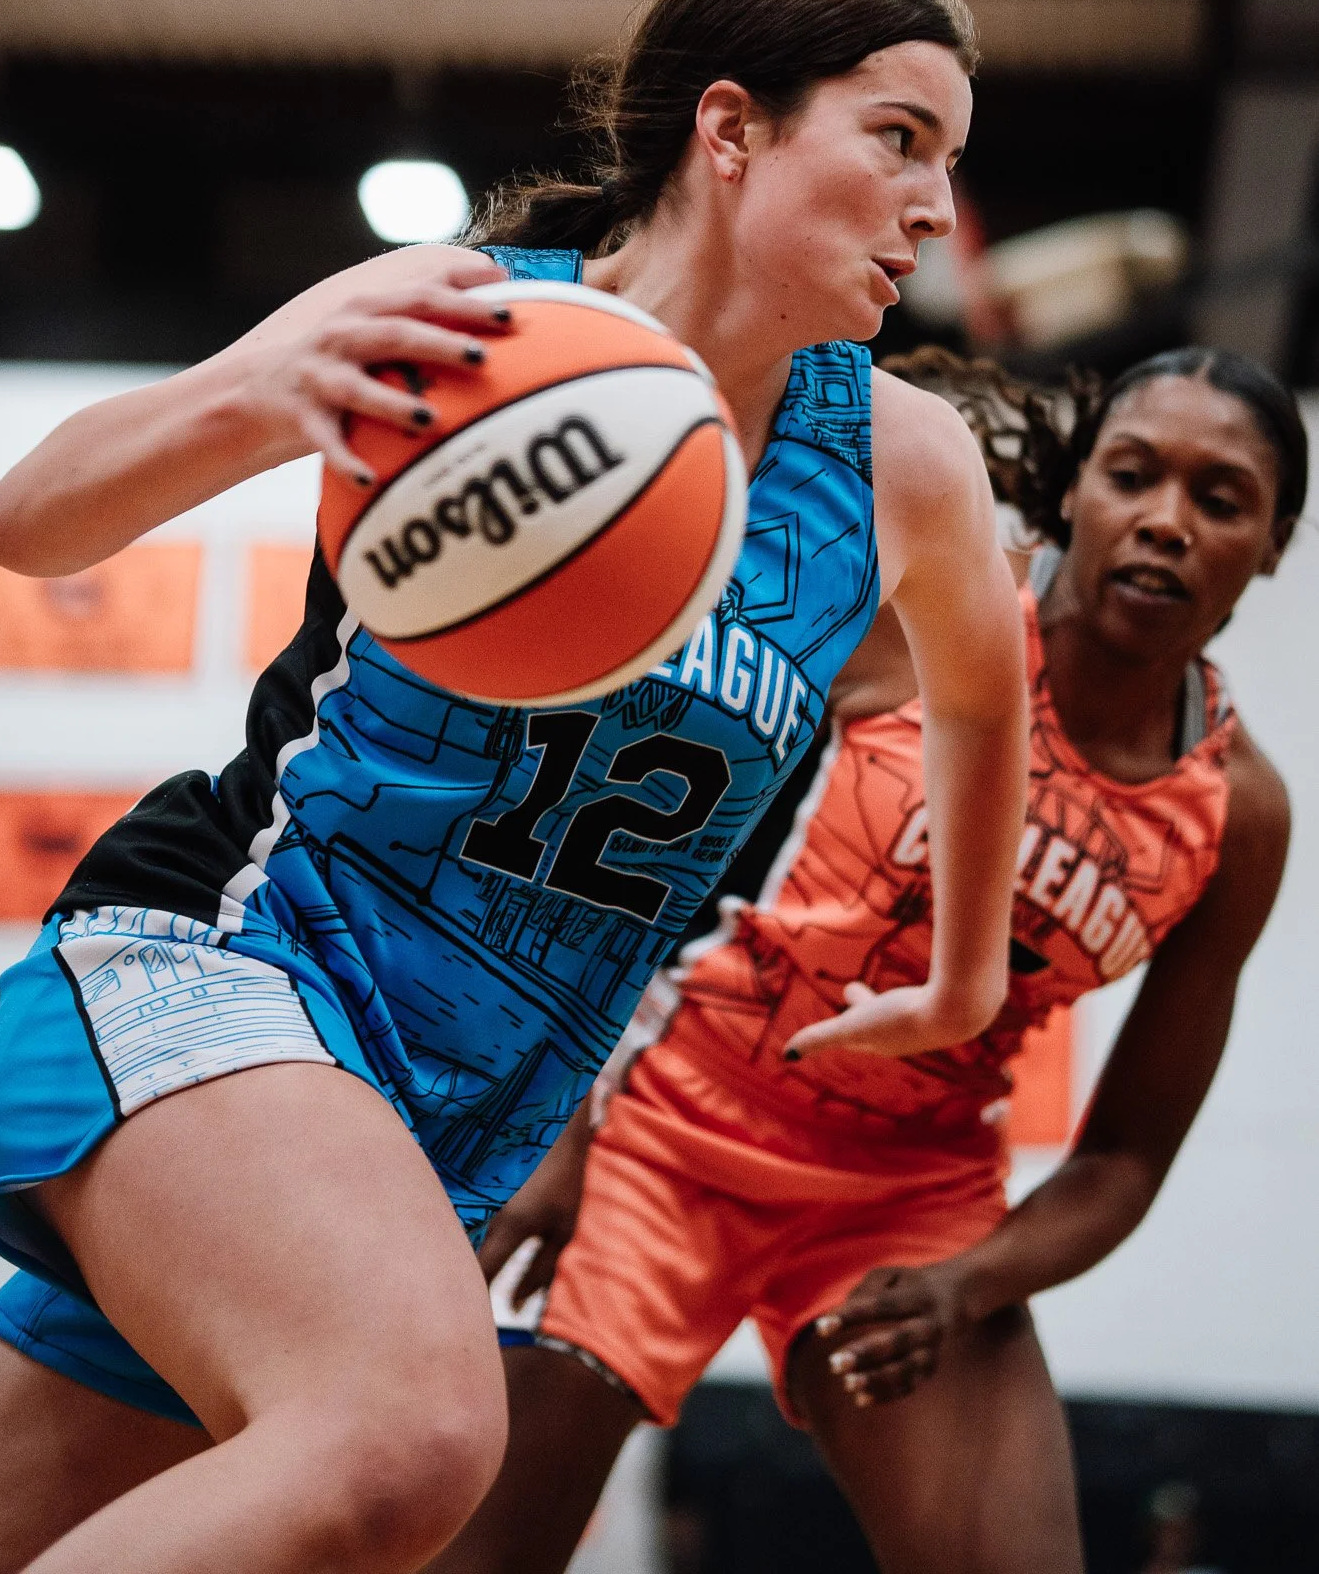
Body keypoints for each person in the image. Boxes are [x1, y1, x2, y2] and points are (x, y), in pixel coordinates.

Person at [0, 0, 1030, 1574]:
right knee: (412, 1438)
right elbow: (30, 521)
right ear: (731, 128)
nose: (933, 207)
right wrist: (266, 392)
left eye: (947, 161)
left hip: (445, 1128)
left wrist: (965, 976)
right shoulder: (468, 320)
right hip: (232, 964)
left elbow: (984, 695)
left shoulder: (903, 465)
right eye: (898, 138)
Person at [426, 344, 1302, 1574]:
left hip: (906, 1191)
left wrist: (970, 1282)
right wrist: (556, 1125)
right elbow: (621, 857)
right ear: (1074, 490)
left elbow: (1125, 1157)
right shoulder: (921, 605)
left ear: (1272, 544)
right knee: (458, 1540)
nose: (1165, 520)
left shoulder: (1236, 813)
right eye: (1132, 474)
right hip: (666, 1117)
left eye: (1220, 497)